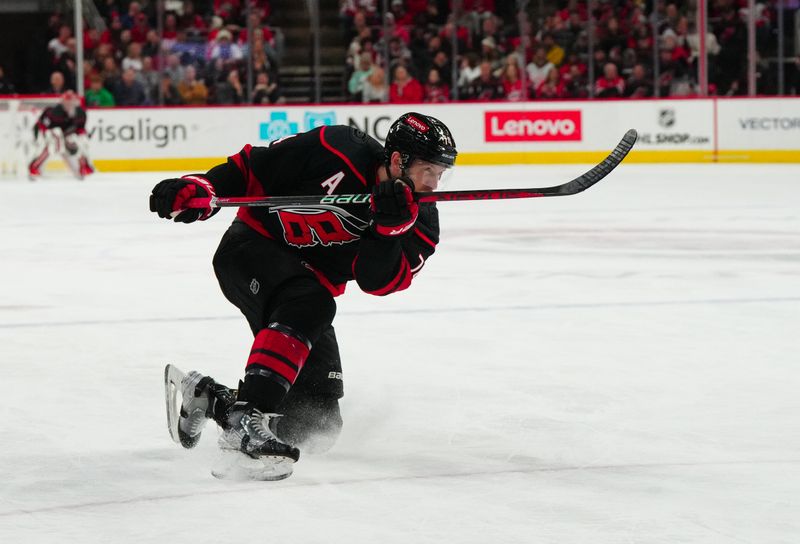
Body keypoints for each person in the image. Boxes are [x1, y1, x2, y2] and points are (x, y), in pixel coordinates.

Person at [149, 112, 457, 480]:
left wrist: (388, 232)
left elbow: (377, 283)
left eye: (440, 174)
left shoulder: (422, 220)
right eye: (428, 170)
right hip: (250, 250)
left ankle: (212, 399)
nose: (433, 183)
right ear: (396, 161)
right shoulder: (337, 148)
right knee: (313, 301)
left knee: (317, 421)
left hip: (308, 290)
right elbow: (254, 166)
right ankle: (247, 421)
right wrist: (202, 186)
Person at [28, 91, 94, 180]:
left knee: (78, 141)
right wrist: (43, 137)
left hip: (67, 135)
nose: (69, 103)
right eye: (66, 101)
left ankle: (83, 167)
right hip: (50, 134)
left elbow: (80, 128)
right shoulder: (54, 112)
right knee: (54, 143)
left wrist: (81, 136)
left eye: (71, 101)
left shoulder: (80, 113)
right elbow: (41, 125)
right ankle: (35, 168)